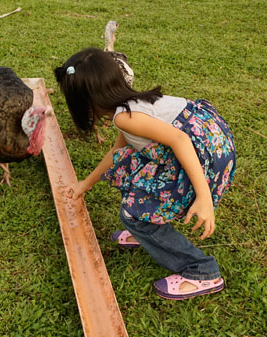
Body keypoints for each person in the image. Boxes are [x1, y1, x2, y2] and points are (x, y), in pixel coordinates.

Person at [54, 47, 236, 300]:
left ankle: (201, 271)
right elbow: (116, 154)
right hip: (213, 144)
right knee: (132, 167)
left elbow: (180, 140)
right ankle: (148, 232)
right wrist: (85, 184)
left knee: (134, 215)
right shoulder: (131, 105)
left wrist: (203, 197)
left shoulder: (125, 118)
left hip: (199, 158)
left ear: (86, 101)